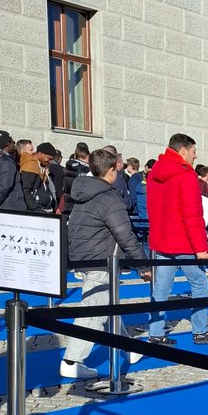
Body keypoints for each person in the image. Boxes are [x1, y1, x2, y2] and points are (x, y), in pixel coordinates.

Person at [60, 148, 150, 379]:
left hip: (84, 255)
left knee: (109, 305)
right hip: (100, 259)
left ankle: (127, 349)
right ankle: (72, 360)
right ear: (112, 170)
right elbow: (125, 235)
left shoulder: (82, 192)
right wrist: (143, 264)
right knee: (94, 311)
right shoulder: (109, 198)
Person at [147, 132, 208, 345]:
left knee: (160, 289)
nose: (195, 156)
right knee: (199, 283)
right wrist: (201, 247)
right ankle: (201, 330)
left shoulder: (155, 173)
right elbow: (192, 215)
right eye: (193, 151)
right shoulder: (185, 175)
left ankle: (155, 333)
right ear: (183, 150)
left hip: (162, 239)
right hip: (184, 242)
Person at [0, 130, 27, 211]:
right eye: (13, 142)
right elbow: (3, 188)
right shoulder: (7, 162)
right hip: (10, 209)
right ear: (8, 144)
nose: (14, 144)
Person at [19, 142, 57, 213]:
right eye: (49, 158)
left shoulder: (41, 167)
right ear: (41, 154)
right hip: (35, 211)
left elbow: (46, 188)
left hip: (43, 209)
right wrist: (36, 209)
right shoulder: (30, 166)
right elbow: (26, 190)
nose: (49, 161)